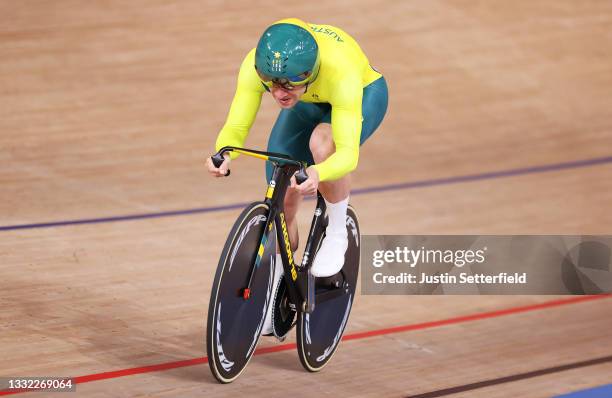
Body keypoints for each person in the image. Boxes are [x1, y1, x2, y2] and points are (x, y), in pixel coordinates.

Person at [206, 18, 388, 335]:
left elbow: (348, 154)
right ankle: (278, 285)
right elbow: (236, 127)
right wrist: (223, 153)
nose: (278, 93)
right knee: (282, 184)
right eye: (270, 83)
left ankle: (337, 230)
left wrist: (320, 172)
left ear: (307, 73)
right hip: (310, 102)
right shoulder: (257, 65)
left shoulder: (340, 72)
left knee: (322, 144)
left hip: (362, 95)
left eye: (287, 84)